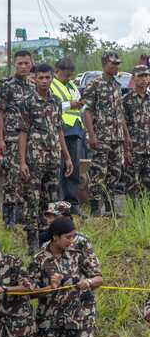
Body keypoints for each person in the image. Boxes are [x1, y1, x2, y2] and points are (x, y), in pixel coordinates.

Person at [17, 64, 74, 253]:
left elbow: (59, 130)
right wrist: (22, 161)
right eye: (40, 78)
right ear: (34, 79)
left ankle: (47, 238)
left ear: (52, 78)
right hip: (34, 159)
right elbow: (23, 132)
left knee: (51, 200)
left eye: (47, 78)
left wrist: (67, 157)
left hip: (53, 158)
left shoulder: (56, 101)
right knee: (32, 199)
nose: (44, 81)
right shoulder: (27, 102)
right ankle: (32, 240)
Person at [84, 51, 132, 216]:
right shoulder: (95, 84)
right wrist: (91, 135)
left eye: (118, 64)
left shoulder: (117, 86)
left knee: (115, 173)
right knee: (98, 172)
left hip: (117, 137)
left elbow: (120, 114)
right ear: (104, 64)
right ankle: (95, 210)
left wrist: (126, 136)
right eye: (113, 63)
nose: (116, 66)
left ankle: (110, 209)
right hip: (101, 136)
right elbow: (87, 111)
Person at [0, 50, 35, 226]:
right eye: (20, 63)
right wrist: (0, 139)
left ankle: (23, 215)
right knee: (12, 178)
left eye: (27, 63)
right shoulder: (6, 85)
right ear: (14, 64)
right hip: (12, 138)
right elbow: (0, 113)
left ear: (31, 64)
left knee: (27, 178)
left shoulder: (33, 86)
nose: (24, 66)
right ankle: (9, 219)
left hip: (31, 140)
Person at [52, 57, 85, 204]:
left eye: (71, 75)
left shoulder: (72, 85)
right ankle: (59, 203)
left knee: (74, 168)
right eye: (66, 75)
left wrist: (80, 103)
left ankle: (72, 204)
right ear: (57, 71)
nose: (69, 78)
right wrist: (70, 104)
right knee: (59, 168)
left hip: (75, 130)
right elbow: (51, 106)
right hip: (61, 130)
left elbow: (78, 104)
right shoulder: (51, 85)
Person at [124, 64, 150, 197]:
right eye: (140, 76)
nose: (144, 79)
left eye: (146, 75)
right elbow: (123, 125)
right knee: (133, 186)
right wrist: (126, 150)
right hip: (134, 149)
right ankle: (134, 209)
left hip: (148, 149)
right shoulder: (126, 100)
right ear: (134, 78)